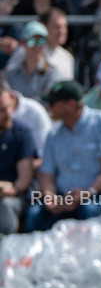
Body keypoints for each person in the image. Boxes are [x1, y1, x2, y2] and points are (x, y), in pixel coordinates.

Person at [24, 81, 101, 232]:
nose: (48, 107)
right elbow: (47, 174)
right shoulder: (54, 134)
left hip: (98, 194)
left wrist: (87, 193)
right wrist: (50, 197)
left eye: (53, 103)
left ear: (70, 104)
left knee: (88, 210)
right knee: (34, 216)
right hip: (63, 197)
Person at [0, 81, 38, 235]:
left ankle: (6, 248)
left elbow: (24, 179)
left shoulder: (21, 132)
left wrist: (10, 190)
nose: (9, 113)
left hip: (16, 195)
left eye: (9, 107)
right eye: (2, 110)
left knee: (5, 205)